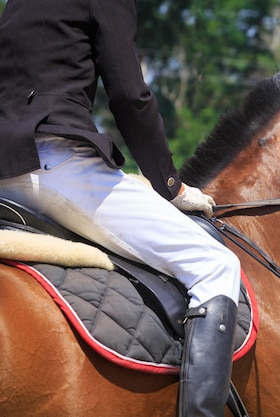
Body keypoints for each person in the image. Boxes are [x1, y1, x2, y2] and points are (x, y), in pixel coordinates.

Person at [0, 1, 239, 416]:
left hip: (5, 168)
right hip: (57, 163)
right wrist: (171, 184)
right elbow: (130, 96)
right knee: (216, 265)